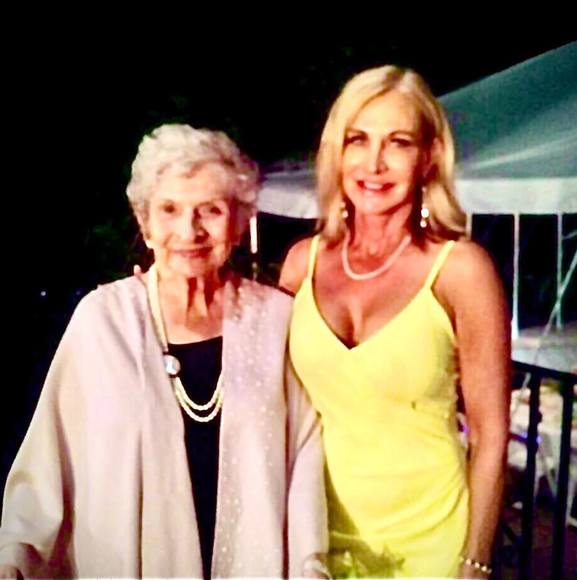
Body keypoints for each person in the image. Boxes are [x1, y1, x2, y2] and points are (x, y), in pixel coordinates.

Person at [0, 124, 328, 578]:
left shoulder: (276, 320)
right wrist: (18, 551)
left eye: (210, 210)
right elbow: (50, 454)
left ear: (238, 222)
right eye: (170, 210)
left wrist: (311, 562)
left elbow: (306, 454)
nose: (189, 230)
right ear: (145, 222)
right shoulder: (103, 319)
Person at [280, 66, 510, 578]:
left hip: (431, 547)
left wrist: (474, 562)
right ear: (337, 152)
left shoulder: (462, 270)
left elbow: (491, 435)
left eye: (398, 142)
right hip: (314, 541)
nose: (374, 163)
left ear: (429, 157)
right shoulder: (301, 265)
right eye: (358, 140)